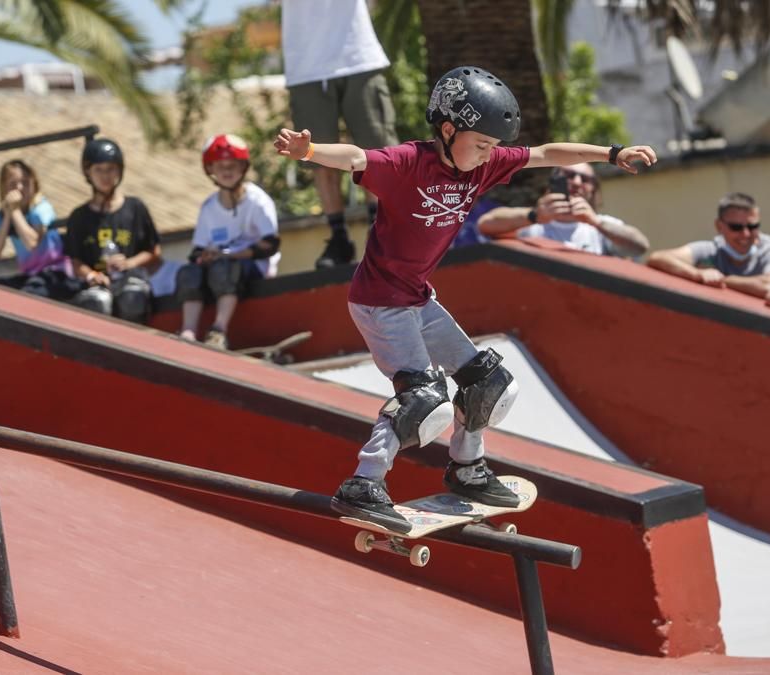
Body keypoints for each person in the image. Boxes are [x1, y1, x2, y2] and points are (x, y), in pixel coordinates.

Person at [275, 65, 657, 532]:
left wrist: (612, 153)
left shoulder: (486, 163)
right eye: (480, 145)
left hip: (418, 299)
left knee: (490, 384)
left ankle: (467, 469)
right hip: (380, 302)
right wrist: (309, 151)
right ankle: (363, 483)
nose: (488, 156)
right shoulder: (408, 163)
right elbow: (356, 157)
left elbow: (545, 153)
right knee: (424, 401)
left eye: (493, 147)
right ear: (448, 129)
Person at [281, 0, 398, 268]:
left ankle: (381, 233)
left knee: (377, 152)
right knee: (315, 155)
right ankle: (338, 239)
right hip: (307, 65)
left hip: (358, 56)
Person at [176, 134, 281, 349]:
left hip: (254, 268)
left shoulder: (258, 200)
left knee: (224, 268)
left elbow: (270, 245)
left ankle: (219, 331)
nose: (226, 171)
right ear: (210, 170)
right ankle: (188, 332)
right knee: (189, 272)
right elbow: (197, 251)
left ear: (243, 167)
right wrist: (205, 257)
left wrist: (231, 255)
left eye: (232, 165)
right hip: (219, 266)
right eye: (220, 166)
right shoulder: (209, 207)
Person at [65, 138, 162, 323]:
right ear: (88, 172)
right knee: (96, 303)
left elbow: (154, 252)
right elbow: (75, 261)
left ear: (120, 170)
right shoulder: (79, 217)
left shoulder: (135, 208)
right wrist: (91, 275)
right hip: (98, 284)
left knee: (132, 299)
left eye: (110, 169)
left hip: (132, 279)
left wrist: (129, 263)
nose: (105, 175)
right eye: (98, 169)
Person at [477, 163, 649, 257]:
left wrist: (596, 222)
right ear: (553, 181)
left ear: (593, 189)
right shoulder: (533, 221)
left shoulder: (600, 226)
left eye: (585, 179)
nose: (577, 182)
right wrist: (534, 215)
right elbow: (485, 224)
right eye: (569, 175)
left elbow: (641, 246)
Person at [646, 192, 770, 298]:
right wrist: (698, 274)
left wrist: (721, 279)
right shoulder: (710, 250)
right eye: (736, 227)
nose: (745, 234)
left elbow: (766, 285)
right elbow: (657, 258)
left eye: (753, 226)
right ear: (719, 226)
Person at [0, 159, 79, 299]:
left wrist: (15, 211)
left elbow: (32, 243)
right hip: (30, 275)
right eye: (13, 184)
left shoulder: (41, 208)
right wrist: (7, 216)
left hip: (55, 272)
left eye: (25, 182)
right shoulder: (1, 216)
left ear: (33, 184)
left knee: (29, 294)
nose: (19, 188)